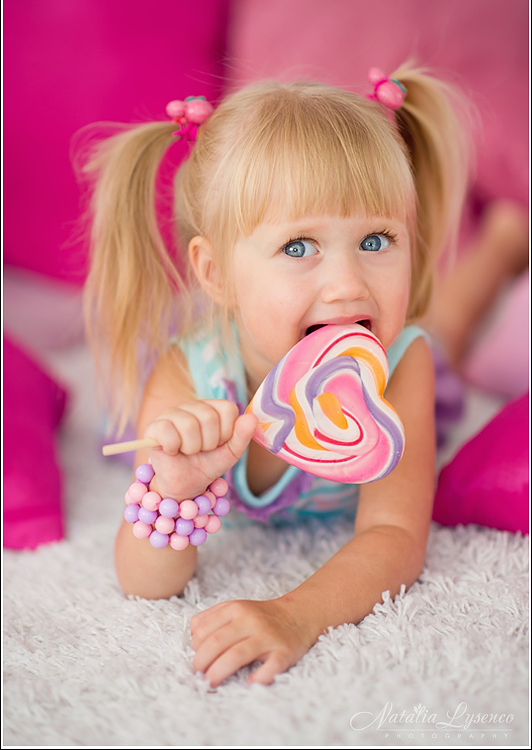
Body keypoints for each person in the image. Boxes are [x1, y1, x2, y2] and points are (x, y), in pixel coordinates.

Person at [81, 63, 473, 687]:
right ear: (214, 273)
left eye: (376, 240)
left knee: (448, 325)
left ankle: (502, 243)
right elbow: (144, 584)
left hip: (425, 377)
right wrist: (175, 490)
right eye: (298, 247)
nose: (347, 285)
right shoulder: (188, 379)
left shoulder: (400, 363)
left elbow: (396, 533)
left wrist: (297, 614)